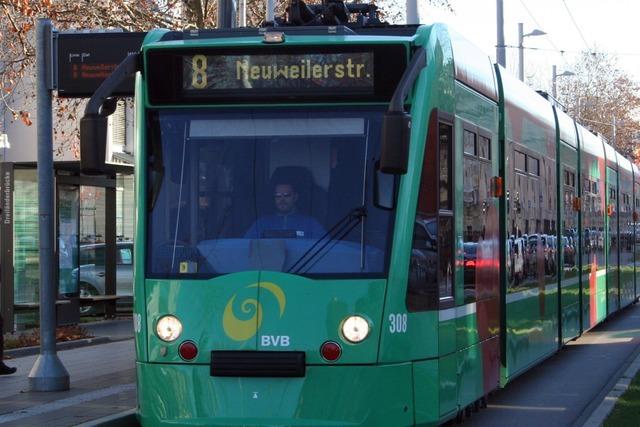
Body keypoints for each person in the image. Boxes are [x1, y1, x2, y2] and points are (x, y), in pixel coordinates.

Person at [245, 182, 325, 239]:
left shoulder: (310, 223)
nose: (282, 200)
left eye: (287, 195)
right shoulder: (261, 223)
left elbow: (325, 249)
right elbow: (245, 247)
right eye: (278, 196)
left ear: (295, 197)